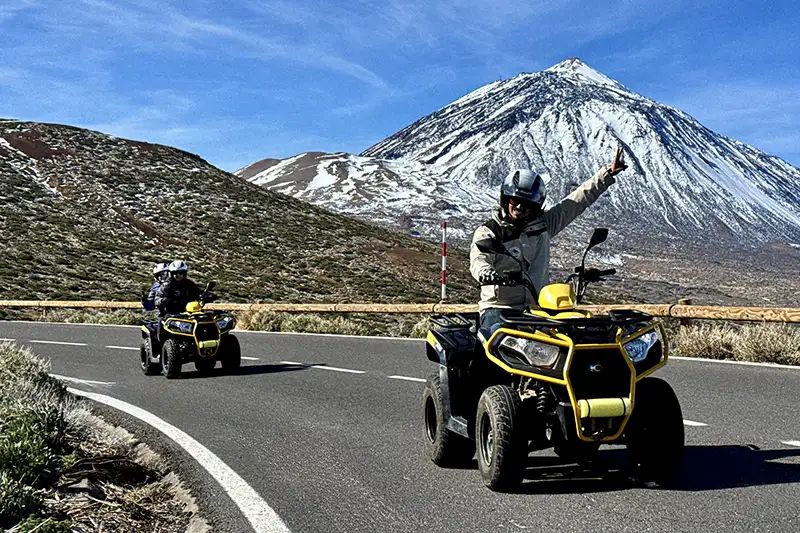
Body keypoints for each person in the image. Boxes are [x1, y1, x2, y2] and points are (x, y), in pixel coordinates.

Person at [470, 146, 628, 341]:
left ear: (536, 205)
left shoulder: (543, 225)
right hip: (500, 307)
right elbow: (479, 259)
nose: (519, 207)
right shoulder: (489, 231)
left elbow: (575, 202)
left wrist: (606, 174)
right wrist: (487, 273)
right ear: (505, 198)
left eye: (526, 203)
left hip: (538, 308)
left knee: (568, 342)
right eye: (514, 200)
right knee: (495, 342)